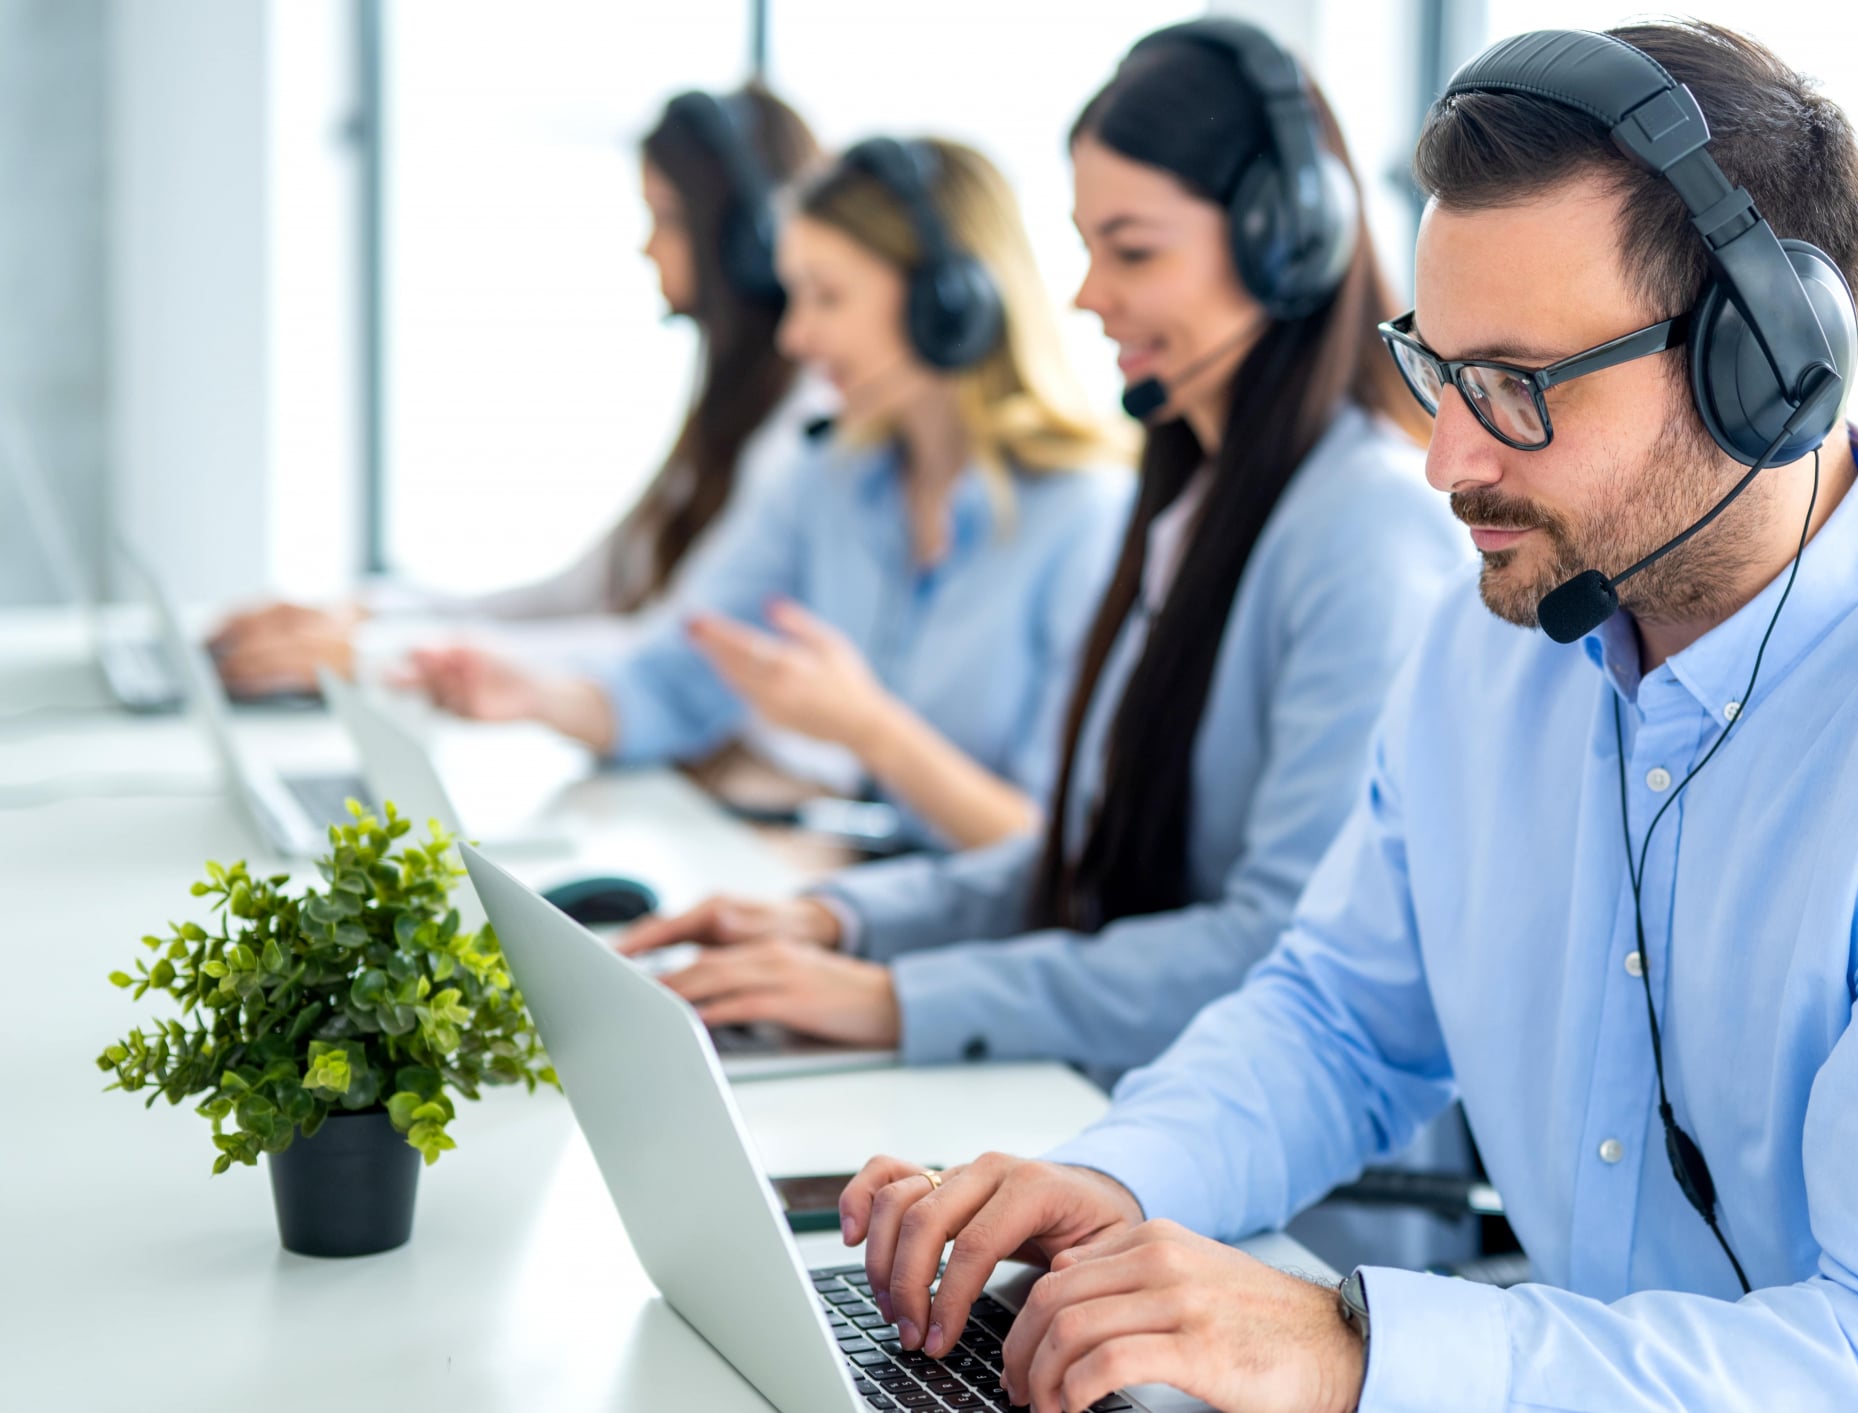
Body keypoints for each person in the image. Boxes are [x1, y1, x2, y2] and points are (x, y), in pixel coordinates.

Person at [826, 21, 1858, 1413]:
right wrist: (1113, 1179)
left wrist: (1355, 1349)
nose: (1446, 458)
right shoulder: (1489, 652)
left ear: (1766, 371)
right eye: (1438, 367)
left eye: (1517, 389)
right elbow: (1338, 1018)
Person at [613, 19, 1464, 1083]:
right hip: (1113, 1104)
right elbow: (1084, 865)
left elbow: (1276, 947)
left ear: (1285, 242)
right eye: (1085, 247)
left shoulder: (1361, 530)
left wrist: (896, 999)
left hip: (1277, 1203)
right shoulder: (1189, 506)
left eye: (1133, 250)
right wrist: (838, 924)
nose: (1084, 296)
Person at [410, 136, 1131, 852]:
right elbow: (676, 674)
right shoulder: (830, 476)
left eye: (828, 296)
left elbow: (1059, 855)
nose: (797, 336)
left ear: (946, 304)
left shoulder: (1086, 517)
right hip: (872, 895)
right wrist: (536, 695)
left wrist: (870, 730)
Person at [210, 86, 832, 693]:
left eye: (667, 218)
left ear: (750, 243)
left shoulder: (799, 433)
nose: (646, 247)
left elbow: (667, 644)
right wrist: (365, 614)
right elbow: (573, 597)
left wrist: (377, 655)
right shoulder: (726, 412)